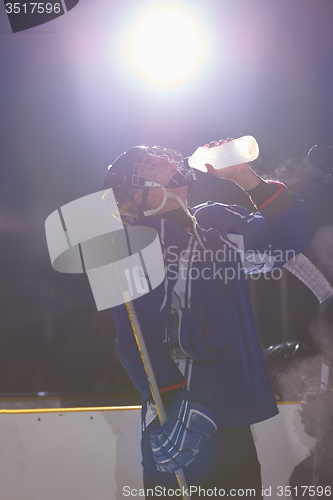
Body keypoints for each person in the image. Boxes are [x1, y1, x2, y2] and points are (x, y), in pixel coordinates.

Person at [102, 139, 313, 499]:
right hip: (182, 422)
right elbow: (134, 336)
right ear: (137, 194)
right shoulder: (129, 243)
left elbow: (288, 238)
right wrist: (172, 401)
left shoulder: (215, 221)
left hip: (232, 414)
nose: (167, 163)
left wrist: (246, 178)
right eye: (152, 165)